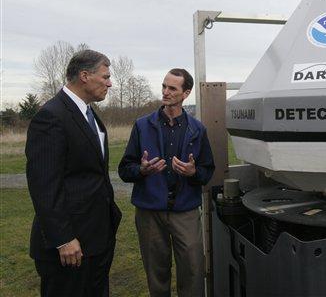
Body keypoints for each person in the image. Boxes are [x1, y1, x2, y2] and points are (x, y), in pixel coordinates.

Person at [26, 49, 122, 297]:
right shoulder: (51, 116)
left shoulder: (89, 113)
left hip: (97, 239)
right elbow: (44, 186)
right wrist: (63, 238)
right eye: (105, 77)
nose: (110, 83)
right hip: (70, 247)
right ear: (84, 76)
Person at [118, 68, 215, 297]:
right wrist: (141, 170)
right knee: (157, 275)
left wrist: (193, 172)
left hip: (186, 213)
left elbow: (207, 171)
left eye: (172, 88)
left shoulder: (197, 129)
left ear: (186, 93)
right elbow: (124, 170)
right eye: (164, 86)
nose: (165, 92)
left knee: (192, 272)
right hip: (150, 213)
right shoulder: (142, 125)